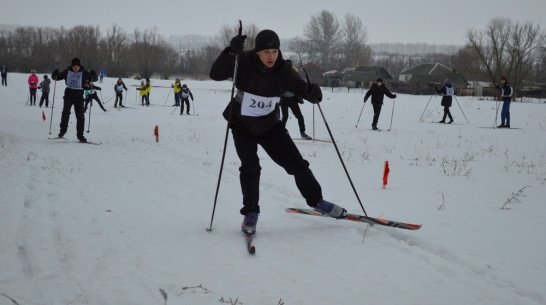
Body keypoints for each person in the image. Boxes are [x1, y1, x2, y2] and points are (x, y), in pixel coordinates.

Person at [209, 29, 347, 235]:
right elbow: (216, 74)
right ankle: (251, 213)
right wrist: (230, 52)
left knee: (298, 165)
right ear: (257, 52)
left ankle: (316, 201)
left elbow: (301, 89)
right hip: (242, 125)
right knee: (250, 167)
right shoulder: (244, 61)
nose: (271, 56)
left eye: (274, 51)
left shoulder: (283, 70)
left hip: (270, 127)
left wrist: (313, 93)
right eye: (266, 52)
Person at [52, 57, 97, 142]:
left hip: (79, 96)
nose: (76, 68)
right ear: (72, 66)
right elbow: (56, 77)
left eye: (77, 66)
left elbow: (94, 79)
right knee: (65, 112)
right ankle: (62, 131)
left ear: (79, 66)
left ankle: (80, 136)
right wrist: (55, 74)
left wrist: (93, 74)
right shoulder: (67, 71)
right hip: (68, 94)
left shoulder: (84, 72)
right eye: (74, 66)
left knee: (80, 116)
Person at [280, 64, 311, 140]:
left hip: (293, 100)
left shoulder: (296, 78)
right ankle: (280, 133)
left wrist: (310, 92)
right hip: (284, 99)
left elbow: (302, 87)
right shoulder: (282, 77)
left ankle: (302, 133)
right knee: (285, 117)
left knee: (300, 116)